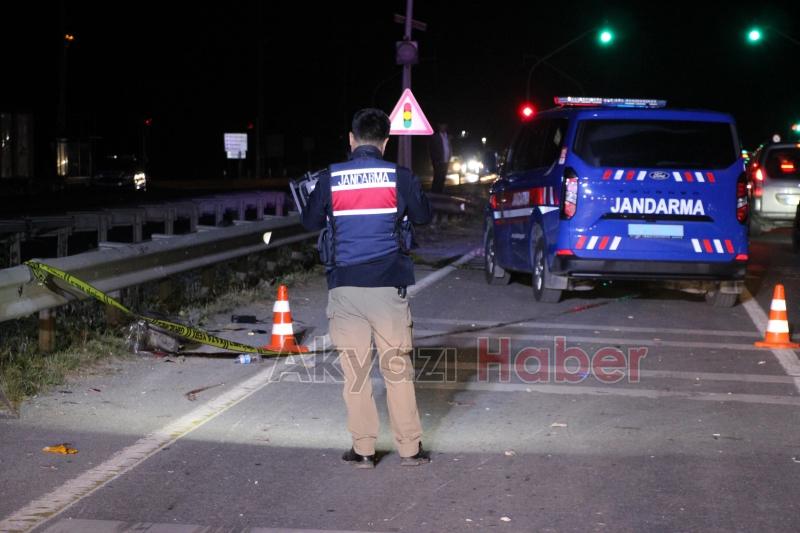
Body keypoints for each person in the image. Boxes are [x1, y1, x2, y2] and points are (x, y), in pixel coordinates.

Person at [301, 108, 433, 468]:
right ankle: (409, 450)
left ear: (351, 138)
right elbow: (423, 216)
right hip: (388, 288)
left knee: (355, 371)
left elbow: (310, 220)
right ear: (385, 142)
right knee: (396, 370)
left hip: (344, 288)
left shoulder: (331, 178)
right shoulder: (399, 177)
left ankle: (363, 450)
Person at [428, 122, 451, 193]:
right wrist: (435, 160)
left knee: (443, 178)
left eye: (445, 125)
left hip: (446, 160)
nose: (444, 127)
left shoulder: (447, 136)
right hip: (438, 161)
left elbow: (448, 147)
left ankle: (440, 193)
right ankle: (434, 193)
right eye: (442, 126)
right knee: (438, 177)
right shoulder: (435, 137)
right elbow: (432, 149)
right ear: (439, 127)